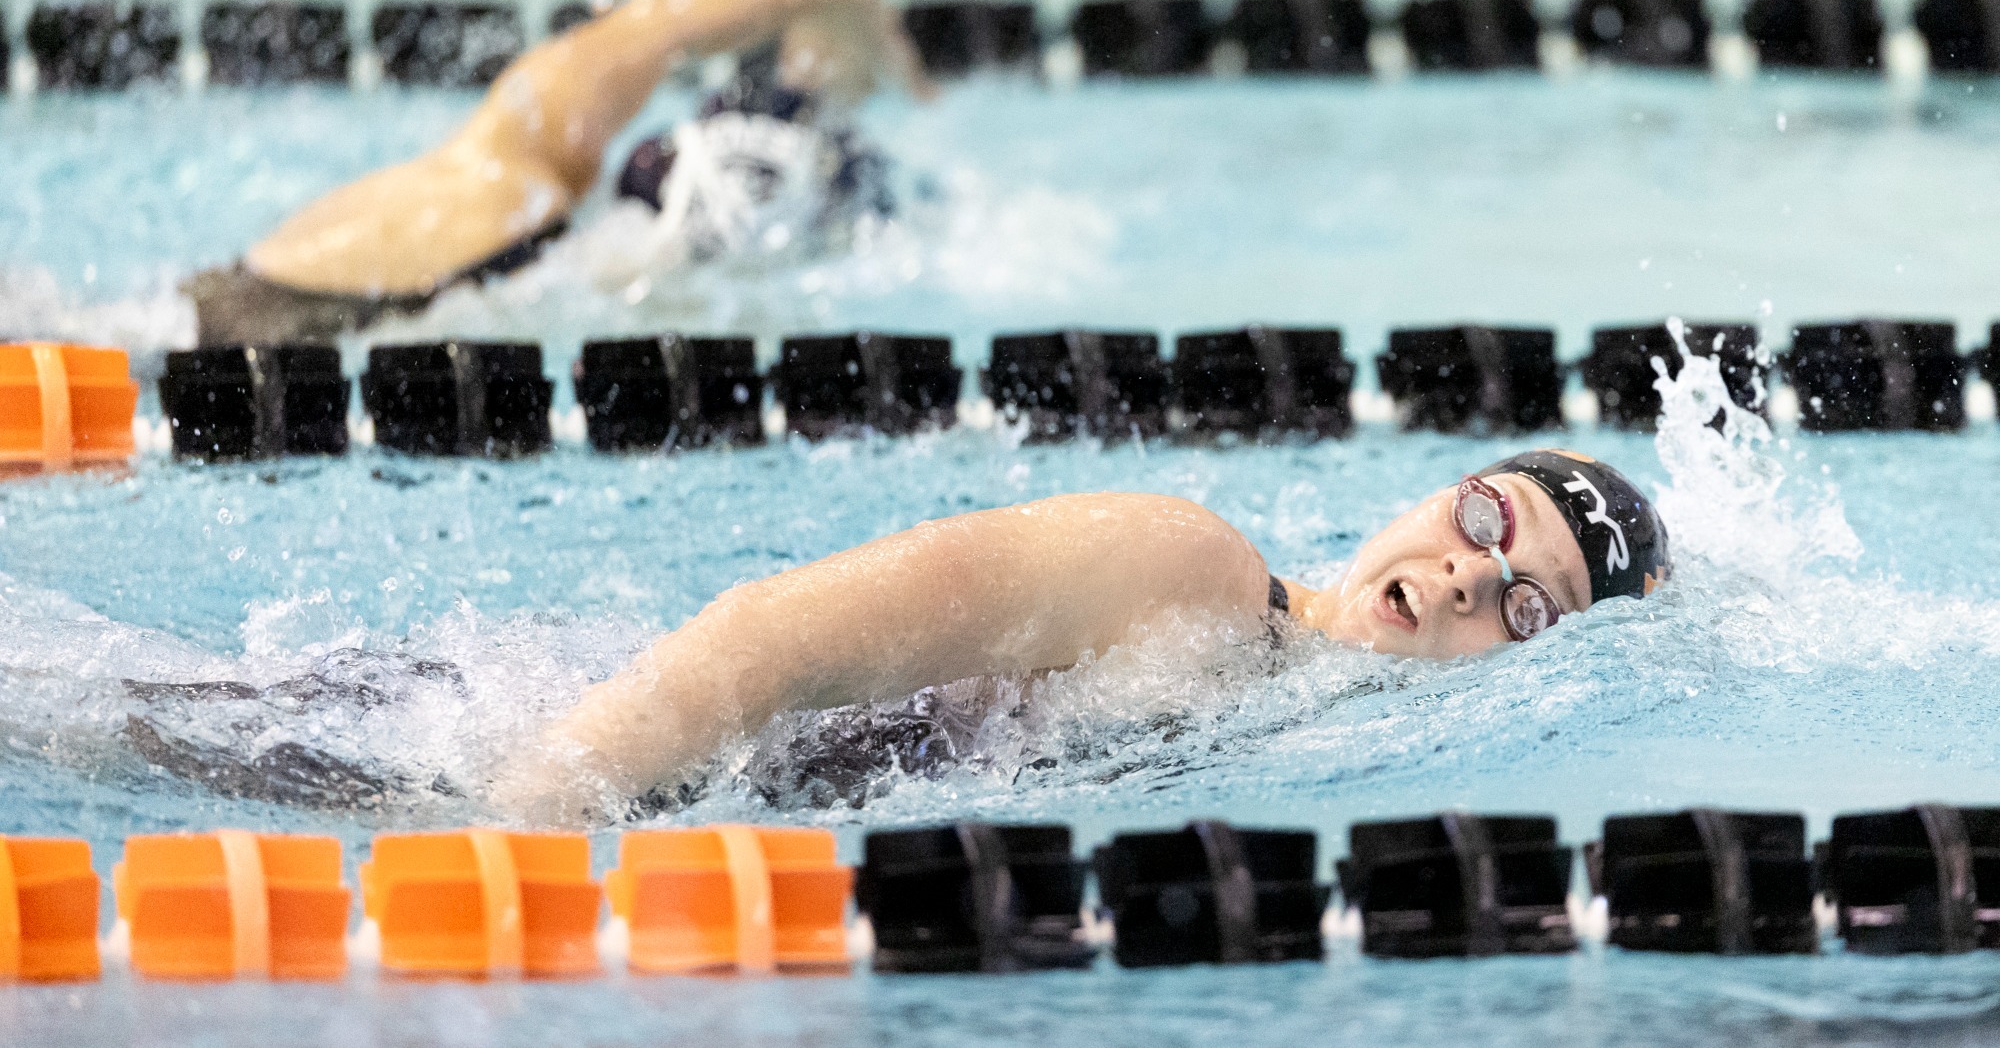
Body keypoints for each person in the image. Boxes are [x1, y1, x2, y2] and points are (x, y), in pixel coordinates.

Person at [493, 448, 1672, 824]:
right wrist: (516, 815)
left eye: (1528, 607)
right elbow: (763, 639)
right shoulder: (1186, 570)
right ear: (1438, 490)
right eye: (1484, 520)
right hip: (534, 736)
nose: (1469, 576)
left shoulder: (1306, 734)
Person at [185, 0, 929, 346]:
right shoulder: (519, 191)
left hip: (205, 309)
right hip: (236, 337)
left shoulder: (516, 158)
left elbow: (656, 24)